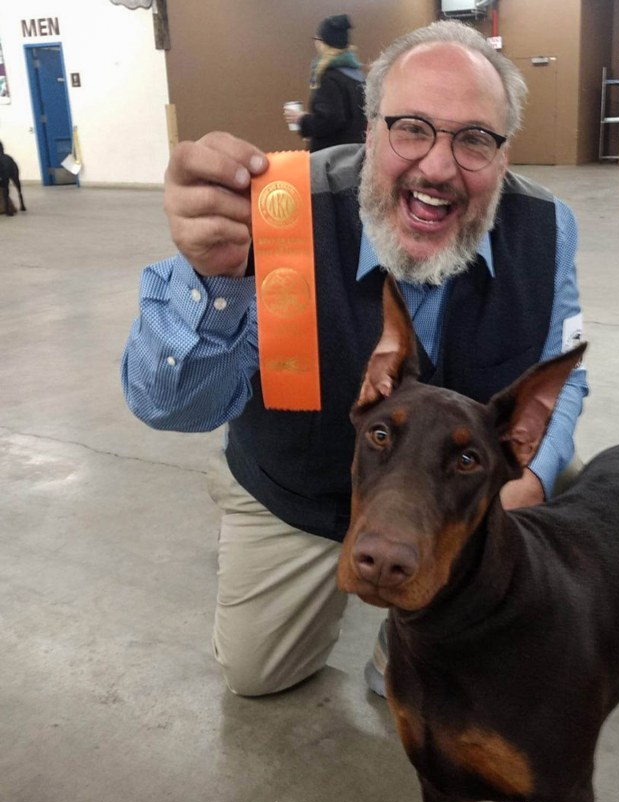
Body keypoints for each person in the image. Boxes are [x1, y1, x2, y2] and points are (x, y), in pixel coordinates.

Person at [121, 20, 588, 700]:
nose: (436, 167)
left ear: (503, 156)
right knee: (257, 676)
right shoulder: (281, 211)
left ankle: (413, 624)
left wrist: (530, 482)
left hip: (449, 499)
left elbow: (563, 376)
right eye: (411, 128)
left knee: (563, 467)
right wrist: (216, 282)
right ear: (369, 133)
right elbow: (168, 408)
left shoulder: (549, 229)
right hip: (300, 490)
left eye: (473, 139)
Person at [283, 13, 366, 152]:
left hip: (331, 158)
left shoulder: (329, 78)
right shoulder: (358, 75)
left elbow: (330, 120)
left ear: (322, 43)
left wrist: (302, 120)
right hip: (356, 153)